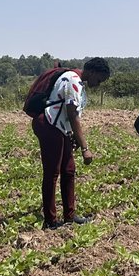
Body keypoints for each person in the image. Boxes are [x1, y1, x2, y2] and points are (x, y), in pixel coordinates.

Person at [32, 57, 111, 229]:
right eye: (99, 80)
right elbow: (72, 114)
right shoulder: (72, 79)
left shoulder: (78, 82)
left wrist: (71, 135)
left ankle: (70, 216)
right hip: (50, 125)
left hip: (60, 128)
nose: (98, 84)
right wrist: (85, 148)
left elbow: (70, 115)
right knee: (52, 173)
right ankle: (50, 221)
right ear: (92, 72)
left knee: (68, 170)